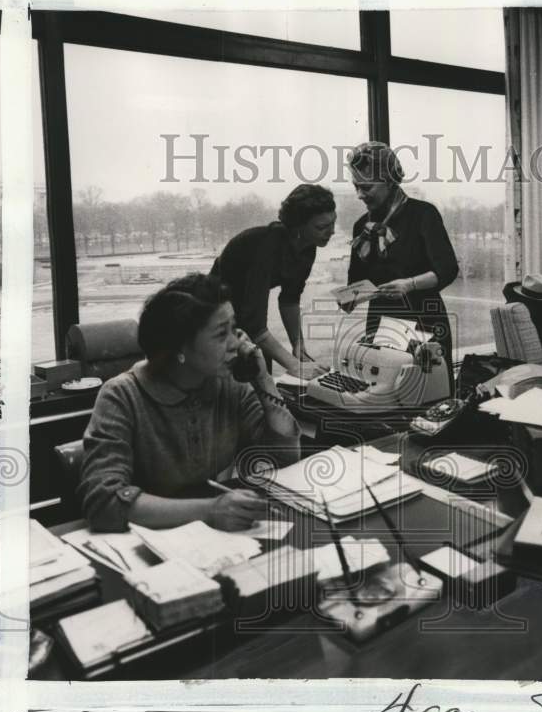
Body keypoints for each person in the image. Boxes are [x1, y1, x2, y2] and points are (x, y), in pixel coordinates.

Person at [79, 272, 301, 533]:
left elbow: (285, 459)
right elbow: (103, 503)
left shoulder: (228, 383)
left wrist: (261, 377)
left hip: (211, 538)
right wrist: (209, 511)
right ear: (180, 349)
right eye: (221, 335)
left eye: (234, 329)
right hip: (146, 541)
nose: (236, 344)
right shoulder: (122, 395)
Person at [343, 141, 459, 389]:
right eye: (356, 187)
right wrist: (350, 296)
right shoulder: (361, 227)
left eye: (366, 187)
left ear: (389, 180)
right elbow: (355, 281)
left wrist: (409, 284)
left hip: (424, 321)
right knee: (383, 395)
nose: (360, 195)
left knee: (431, 393)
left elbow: (448, 269)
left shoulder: (424, 214)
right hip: (380, 324)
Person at [211, 184, 336, 378]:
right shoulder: (265, 245)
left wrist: (298, 346)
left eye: (332, 224)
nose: (332, 232)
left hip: (246, 313)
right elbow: (254, 324)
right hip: (215, 310)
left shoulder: (308, 246)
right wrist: (294, 366)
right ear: (298, 226)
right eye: (322, 227)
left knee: (261, 369)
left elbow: (290, 299)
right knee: (248, 375)